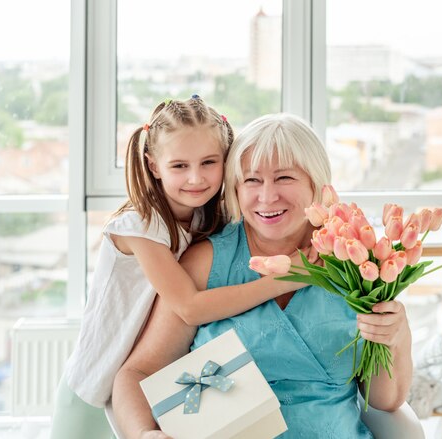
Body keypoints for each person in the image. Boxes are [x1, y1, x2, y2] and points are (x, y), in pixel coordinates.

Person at [113, 113, 413, 439]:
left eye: (284, 178)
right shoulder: (207, 261)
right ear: (236, 188)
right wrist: (144, 434)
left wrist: (395, 336)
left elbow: (385, 400)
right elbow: (137, 371)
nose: (267, 197)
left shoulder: (357, 263)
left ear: (316, 183)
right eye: (252, 181)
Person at [50, 98, 309, 439]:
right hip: (93, 386)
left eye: (209, 162)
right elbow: (189, 307)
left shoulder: (206, 215)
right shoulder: (141, 226)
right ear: (154, 166)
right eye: (179, 166)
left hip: (151, 383)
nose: (196, 178)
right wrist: (283, 279)